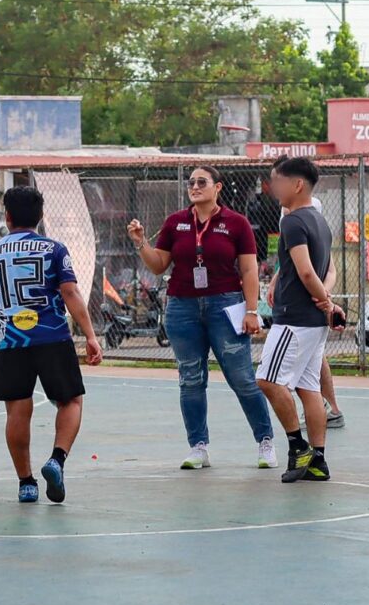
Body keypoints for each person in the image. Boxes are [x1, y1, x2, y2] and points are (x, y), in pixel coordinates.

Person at [128, 166, 277, 470]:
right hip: (182, 308)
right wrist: (141, 242)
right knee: (191, 380)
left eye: (201, 182)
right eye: (191, 183)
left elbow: (248, 270)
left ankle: (265, 442)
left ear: (217, 187)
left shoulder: (237, 224)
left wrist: (251, 310)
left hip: (226, 306)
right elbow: (159, 265)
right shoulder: (176, 222)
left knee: (242, 378)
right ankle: (198, 447)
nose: (194, 187)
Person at [0, 187, 103, 504]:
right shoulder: (54, 250)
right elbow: (71, 293)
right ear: (41, 216)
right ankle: (56, 459)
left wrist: (1, 333)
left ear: (7, 216)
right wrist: (90, 334)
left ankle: (26, 483)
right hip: (52, 336)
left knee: (18, 410)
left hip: (11, 341)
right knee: (71, 401)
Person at [256, 156, 345, 483]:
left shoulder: (292, 222)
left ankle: (298, 446)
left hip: (295, 320)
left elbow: (308, 272)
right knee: (308, 388)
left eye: (278, 181)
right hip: (312, 321)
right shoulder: (319, 221)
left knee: (266, 379)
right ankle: (318, 460)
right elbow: (320, 270)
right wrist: (326, 304)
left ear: (297, 185)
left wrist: (324, 303)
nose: (273, 188)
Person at [269, 188, 345, 429]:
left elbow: (318, 271)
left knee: (269, 380)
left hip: (301, 314)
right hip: (303, 309)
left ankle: (303, 437)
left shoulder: (305, 220)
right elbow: (294, 262)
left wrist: (324, 297)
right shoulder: (290, 219)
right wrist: (274, 281)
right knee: (308, 382)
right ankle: (318, 443)